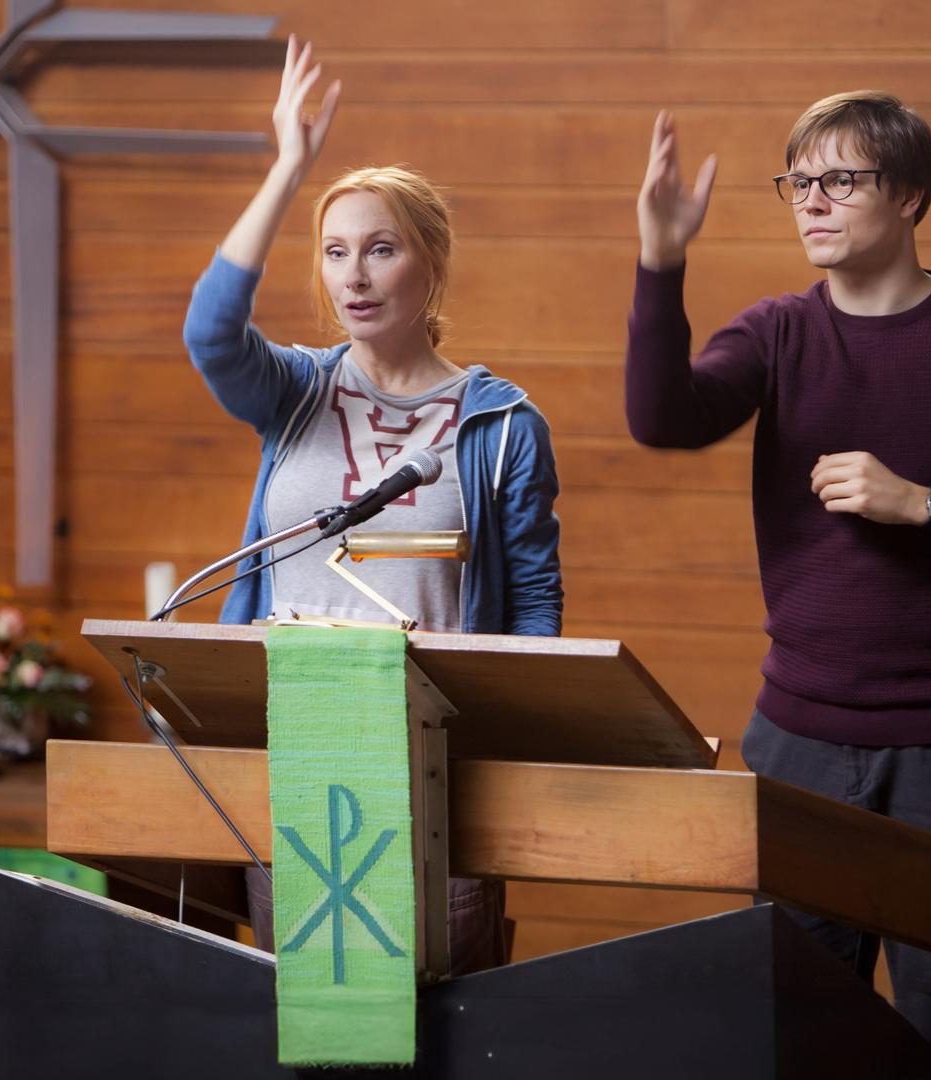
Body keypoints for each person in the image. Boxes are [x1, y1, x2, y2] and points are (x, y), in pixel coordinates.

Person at [627, 94, 931, 1076]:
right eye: (799, 183)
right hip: (795, 743)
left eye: (840, 180)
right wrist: (662, 259)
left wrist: (928, 506)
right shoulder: (776, 333)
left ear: (912, 197)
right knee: (794, 1031)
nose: (813, 201)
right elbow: (662, 416)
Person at [182, 37, 564, 975]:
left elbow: (536, 614)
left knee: (448, 1011)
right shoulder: (293, 392)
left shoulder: (503, 423)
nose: (353, 275)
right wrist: (287, 169)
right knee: (314, 1001)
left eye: (381, 249)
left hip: (438, 763)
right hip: (302, 738)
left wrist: (507, 770)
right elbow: (209, 330)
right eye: (336, 251)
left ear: (430, 264)